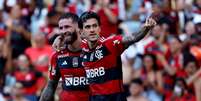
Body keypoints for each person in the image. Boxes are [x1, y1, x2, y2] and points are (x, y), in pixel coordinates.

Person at [78, 11, 156, 101]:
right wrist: (58, 40)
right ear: (81, 32)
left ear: (99, 28)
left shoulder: (110, 44)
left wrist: (146, 28)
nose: (92, 30)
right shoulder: (82, 47)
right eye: (88, 27)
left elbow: (132, 38)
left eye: (94, 26)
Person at [39, 13, 89, 101]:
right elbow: (51, 86)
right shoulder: (57, 55)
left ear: (78, 27)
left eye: (67, 27)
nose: (63, 31)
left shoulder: (92, 49)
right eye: (61, 28)